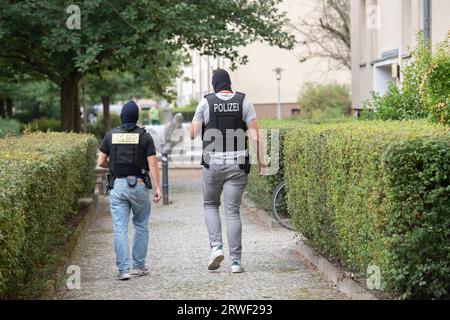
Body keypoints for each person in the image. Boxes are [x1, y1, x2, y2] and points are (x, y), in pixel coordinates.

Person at [189, 69, 265, 273]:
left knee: (210, 204)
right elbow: (256, 136)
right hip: (237, 163)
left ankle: (216, 248)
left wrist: (200, 121)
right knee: (232, 212)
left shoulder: (206, 102)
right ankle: (236, 262)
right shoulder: (244, 101)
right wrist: (261, 161)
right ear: (229, 83)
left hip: (212, 162)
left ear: (214, 84)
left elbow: (192, 133)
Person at [97, 101, 161, 280]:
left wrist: (115, 164)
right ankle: (138, 267)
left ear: (122, 117)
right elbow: (152, 163)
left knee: (119, 228)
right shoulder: (145, 136)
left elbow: (101, 161)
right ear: (137, 117)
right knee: (140, 226)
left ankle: (123, 270)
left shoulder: (111, 135)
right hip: (139, 185)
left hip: (118, 186)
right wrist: (157, 187)